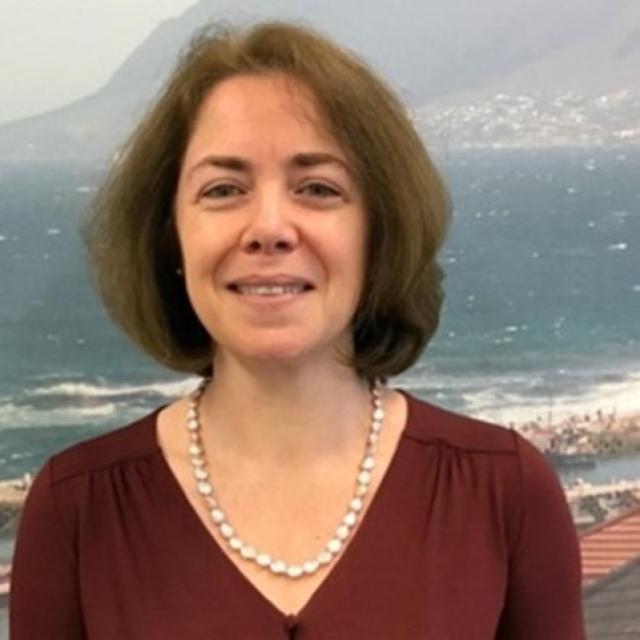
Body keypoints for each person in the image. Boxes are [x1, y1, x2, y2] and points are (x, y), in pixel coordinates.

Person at [9, 20, 585, 639]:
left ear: (377, 233)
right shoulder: (76, 509)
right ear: (169, 234)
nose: (270, 227)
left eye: (317, 188)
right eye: (224, 189)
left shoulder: (504, 492)